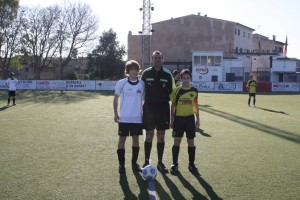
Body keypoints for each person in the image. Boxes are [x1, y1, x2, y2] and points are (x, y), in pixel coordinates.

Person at [141, 50, 175, 173]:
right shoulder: (145, 73)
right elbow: (140, 91)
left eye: (159, 58)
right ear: (152, 59)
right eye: (155, 58)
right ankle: (146, 161)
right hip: (149, 108)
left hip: (163, 108)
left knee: (161, 135)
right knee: (149, 135)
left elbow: (173, 93)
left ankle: (160, 163)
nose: (157, 60)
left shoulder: (167, 74)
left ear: (163, 59)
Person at [113, 60, 145, 174]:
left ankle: (134, 163)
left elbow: (144, 100)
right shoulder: (121, 83)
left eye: (135, 69)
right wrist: (116, 113)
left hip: (137, 118)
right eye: (131, 69)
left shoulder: (142, 84)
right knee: (122, 139)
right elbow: (116, 98)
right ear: (127, 71)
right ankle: (121, 164)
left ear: (138, 71)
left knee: (135, 140)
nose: (133, 71)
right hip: (124, 118)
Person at [169, 69, 200, 175]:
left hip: (190, 119)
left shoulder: (194, 91)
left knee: (191, 142)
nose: (186, 80)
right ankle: (174, 164)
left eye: (188, 78)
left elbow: (195, 105)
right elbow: (173, 105)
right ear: (181, 79)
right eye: (184, 78)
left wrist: (198, 118)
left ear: (190, 78)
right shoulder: (176, 90)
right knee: (176, 142)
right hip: (178, 119)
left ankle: (191, 164)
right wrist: (171, 119)